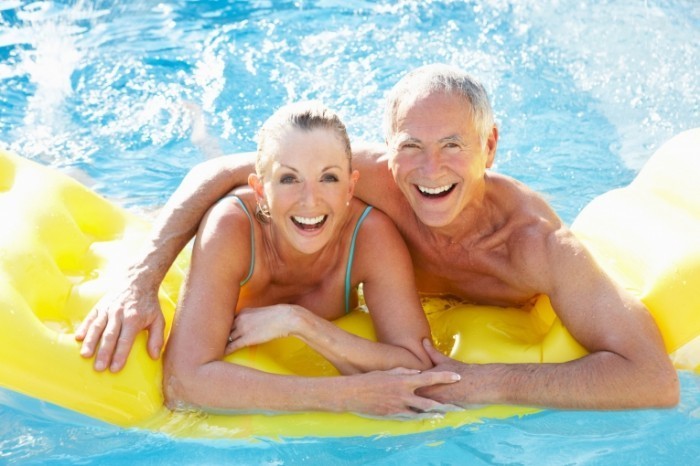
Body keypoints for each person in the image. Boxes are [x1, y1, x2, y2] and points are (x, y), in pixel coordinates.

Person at [77, 64, 679, 410]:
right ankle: (188, 123)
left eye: (453, 146)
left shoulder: (538, 246)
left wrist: (493, 381)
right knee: (234, 183)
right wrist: (139, 279)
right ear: (387, 152)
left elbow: (653, 380)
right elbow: (224, 173)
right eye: (411, 146)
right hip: (267, 245)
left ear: (489, 146)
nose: (430, 168)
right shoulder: (365, 180)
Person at [142, 101, 461, 417]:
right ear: (260, 190)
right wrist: (343, 396)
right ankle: (197, 129)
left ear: (351, 188)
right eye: (289, 179)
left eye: (329, 178)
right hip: (206, 239)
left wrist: (300, 323)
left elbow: (420, 365)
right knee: (157, 199)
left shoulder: (370, 236)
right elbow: (182, 382)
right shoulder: (230, 227)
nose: (310, 201)